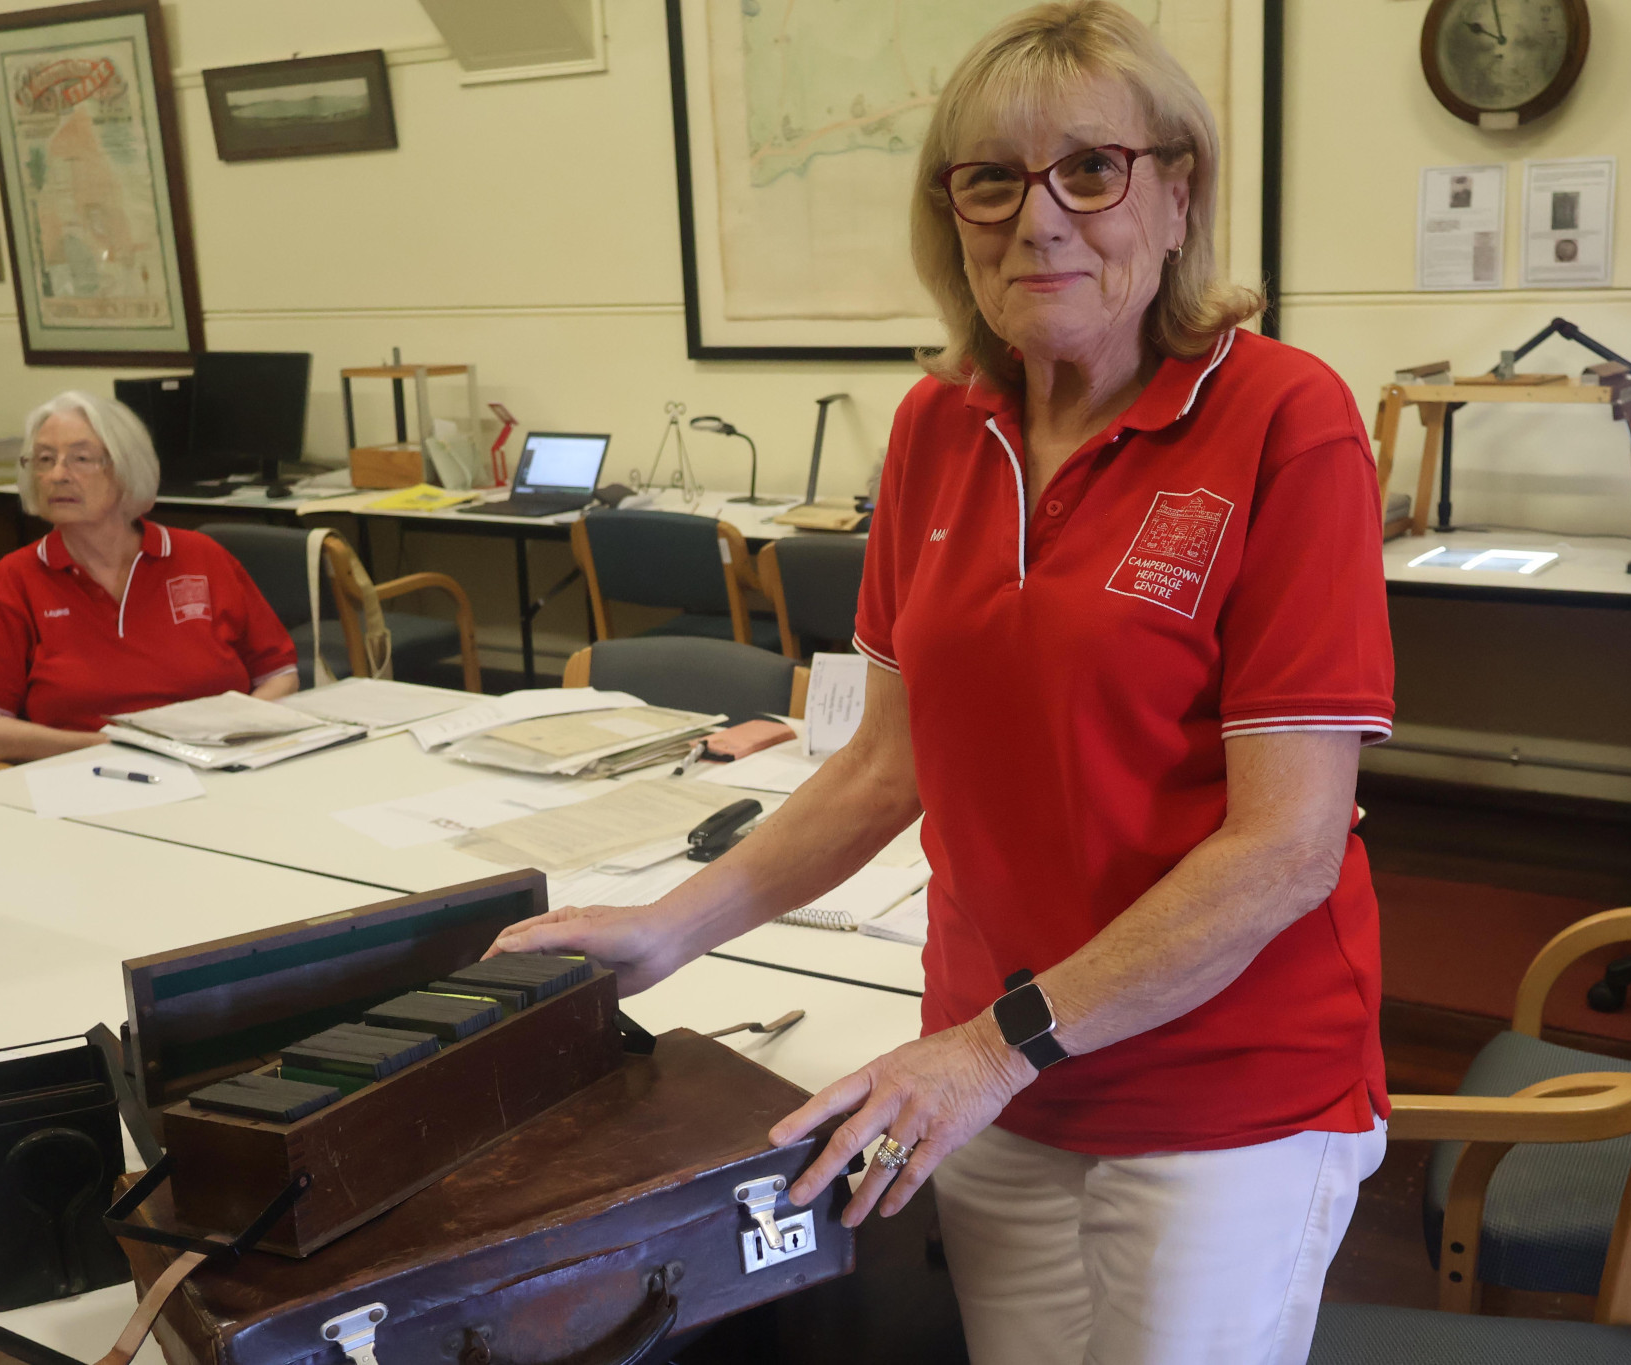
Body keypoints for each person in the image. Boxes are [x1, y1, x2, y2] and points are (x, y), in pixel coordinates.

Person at [485, 4, 1393, 1360]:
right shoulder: (937, 427)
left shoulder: (1282, 416)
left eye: (1092, 169)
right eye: (992, 180)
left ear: (1178, 188)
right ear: (952, 214)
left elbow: (1285, 852)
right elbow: (880, 764)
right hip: (999, 1073)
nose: (1041, 220)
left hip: (1220, 1092)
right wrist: (667, 930)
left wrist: (990, 1048)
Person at [0, 391, 299, 762]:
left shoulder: (201, 556)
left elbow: (280, 674)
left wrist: (223, 740)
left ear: (127, 467)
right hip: (89, 775)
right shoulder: (17, 578)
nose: (56, 476)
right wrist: (107, 747)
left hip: (218, 765)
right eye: (44, 460)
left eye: (81, 459)